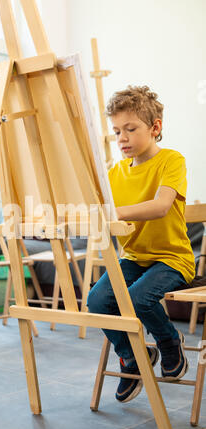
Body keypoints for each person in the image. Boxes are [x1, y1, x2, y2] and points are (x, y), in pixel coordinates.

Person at [87, 85, 196, 403]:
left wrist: (113, 211)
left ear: (155, 127)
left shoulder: (171, 161)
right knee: (97, 302)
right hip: (135, 257)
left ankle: (168, 341)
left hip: (172, 259)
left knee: (135, 300)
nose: (122, 138)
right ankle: (134, 357)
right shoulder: (114, 173)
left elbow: (161, 206)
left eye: (130, 129)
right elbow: (99, 209)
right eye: (117, 130)